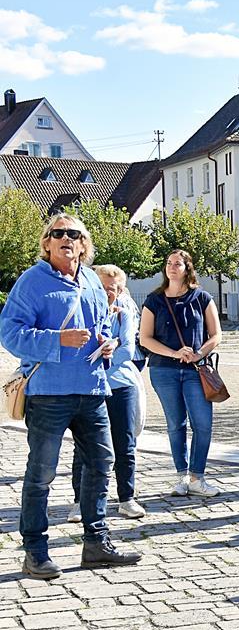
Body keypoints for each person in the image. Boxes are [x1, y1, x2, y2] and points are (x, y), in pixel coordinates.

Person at [0, 214, 142, 578]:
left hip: (92, 388)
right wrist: (56, 340)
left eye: (73, 234)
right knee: (41, 473)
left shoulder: (93, 281)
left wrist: (107, 343)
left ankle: (96, 544)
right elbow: (10, 335)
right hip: (48, 393)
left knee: (101, 464)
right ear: (47, 243)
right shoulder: (31, 282)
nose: (66, 238)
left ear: (83, 244)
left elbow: (103, 326)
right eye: (58, 233)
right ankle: (35, 550)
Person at [139, 250, 222, 497]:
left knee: (203, 424)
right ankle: (181, 476)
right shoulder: (154, 300)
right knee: (176, 424)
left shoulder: (202, 298)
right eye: (169, 263)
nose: (172, 267)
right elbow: (145, 339)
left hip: (197, 370)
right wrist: (175, 353)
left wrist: (198, 353)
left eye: (178, 264)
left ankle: (197, 477)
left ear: (188, 268)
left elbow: (216, 334)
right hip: (164, 370)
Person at [68, 265, 147, 522]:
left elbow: (127, 349)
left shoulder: (124, 314)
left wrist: (104, 356)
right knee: (84, 446)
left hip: (120, 385)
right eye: (102, 287)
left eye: (113, 289)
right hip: (88, 386)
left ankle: (127, 498)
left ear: (121, 290)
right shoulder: (81, 309)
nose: (107, 293)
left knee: (125, 443)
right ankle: (80, 502)